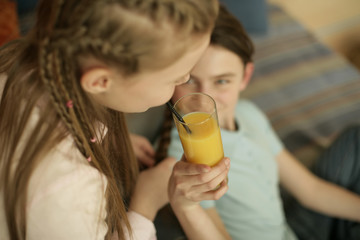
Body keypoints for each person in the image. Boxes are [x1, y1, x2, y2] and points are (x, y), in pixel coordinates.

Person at [0, 0, 232, 239]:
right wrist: (145, 204)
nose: (184, 81)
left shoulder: (22, 63)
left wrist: (101, 140)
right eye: (173, 78)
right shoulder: (66, 193)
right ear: (100, 82)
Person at [153, 5, 360, 240]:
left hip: (292, 228)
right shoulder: (184, 155)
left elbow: (310, 190)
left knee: (355, 138)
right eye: (190, 81)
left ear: (245, 77)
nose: (205, 98)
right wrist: (186, 207)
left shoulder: (248, 113)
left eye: (221, 81)